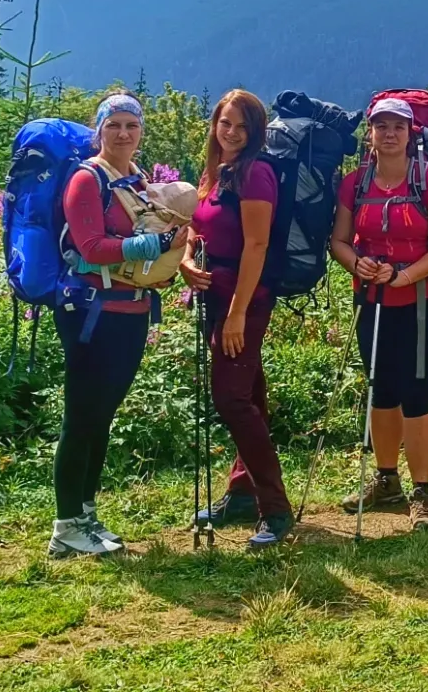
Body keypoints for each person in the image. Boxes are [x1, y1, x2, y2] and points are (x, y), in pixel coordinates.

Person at [329, 93, 428, 530]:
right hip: (371, 298)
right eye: (381, 126)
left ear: (410, 134)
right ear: (370, 132)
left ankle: (422, 490)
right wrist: (357, 264)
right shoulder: (355, 184)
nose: (389, 134)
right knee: (380, 388)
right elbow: (339, 241)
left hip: (421, 300)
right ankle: (388, 480)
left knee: (416, 391)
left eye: (398, 127)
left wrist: (404, 276)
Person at [50, 92, 172, 557]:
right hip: (90, 314)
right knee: (82, 418)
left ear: (141, 131)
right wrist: (153, 247)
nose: (123, 133)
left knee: (101, 417)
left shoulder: (137, 180)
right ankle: (66, 527)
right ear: (98, 129)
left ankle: (85, 515)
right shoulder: (87, 179)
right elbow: (90, 247)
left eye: (131, 125)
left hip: (131, 312)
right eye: (114, 124)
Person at [178, 89, 292, 549]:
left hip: (244, 299)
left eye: (243, 127)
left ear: (256, 132)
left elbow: (257, 246)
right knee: (249, 393)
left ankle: (276, 509)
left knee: (231, 399)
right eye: (225, 123)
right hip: (216, 294)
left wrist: (237, 314)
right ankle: (244, 493)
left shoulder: (255, 173)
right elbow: (197, 225)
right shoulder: (216, 171)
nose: (232, 132)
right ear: (215, 125)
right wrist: (186, 259)